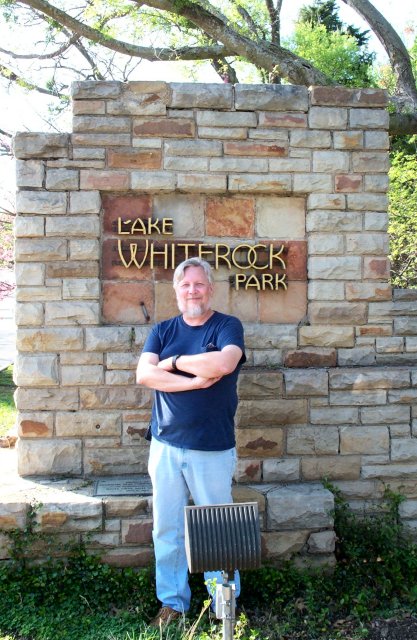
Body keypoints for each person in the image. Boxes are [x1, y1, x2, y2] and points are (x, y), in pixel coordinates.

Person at [136, 257, 246, 627]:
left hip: (212, 447)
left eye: (199, 284)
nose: (192, 291)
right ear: (176, 291)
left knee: (217, 527)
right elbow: (144, 375)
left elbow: (224, 364)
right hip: (165, 446)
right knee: (166, 527)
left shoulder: (227, 325)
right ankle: (173, 603)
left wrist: (175, 362)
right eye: (185, 285)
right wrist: (191, 381)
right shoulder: (163, 330)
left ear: (210, 288)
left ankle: (223, 604)